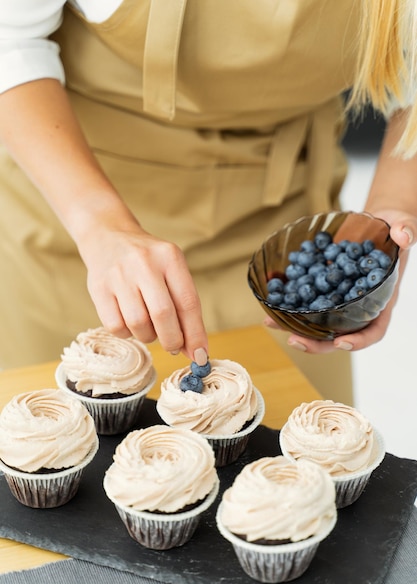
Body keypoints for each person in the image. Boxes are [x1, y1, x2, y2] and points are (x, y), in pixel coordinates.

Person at [0, 1, 416, 405]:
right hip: (72, 214)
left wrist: (394, 202)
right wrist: (98, 224)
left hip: (281, 239)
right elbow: (11, 42)